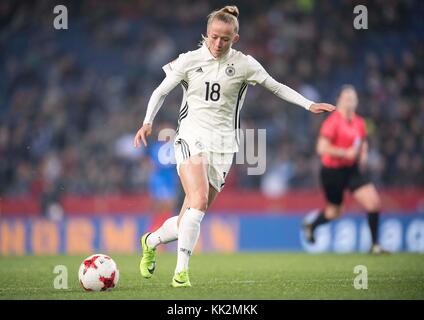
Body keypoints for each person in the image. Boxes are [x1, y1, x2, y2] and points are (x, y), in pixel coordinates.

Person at [134, 5, 335, 287]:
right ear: (205, 34)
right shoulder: (189, 60)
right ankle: (181, 274)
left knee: (191, 215)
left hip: (224, 146)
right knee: (199, 199)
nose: (218, 43)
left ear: (235, 39)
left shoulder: (244, 64)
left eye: (225, 39)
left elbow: (276, 86)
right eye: (213, 37)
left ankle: (151, 240)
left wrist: (309, 104)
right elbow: (160, 91)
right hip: (191, 137)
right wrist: (147, 122)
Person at [303, 85, 387, 254]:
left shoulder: (360, 122)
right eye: (347, 97)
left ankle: (375, 246)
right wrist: (344, 152)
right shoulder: (332, 123)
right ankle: (312, 225)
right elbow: (321, 148)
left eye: (353, 97)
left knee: (374, 202)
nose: (350, 100)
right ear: (339, 101)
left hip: (352, 169)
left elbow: (362, 141)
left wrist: (362, 154)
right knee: (335, 212)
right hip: (332, 171)